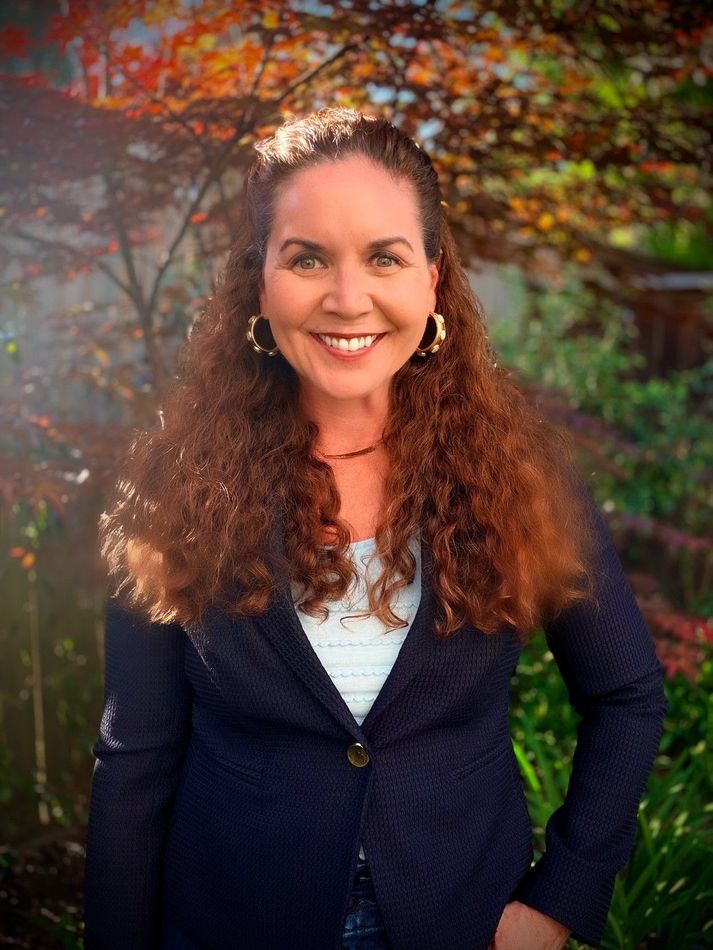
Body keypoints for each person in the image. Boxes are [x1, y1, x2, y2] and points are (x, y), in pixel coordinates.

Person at [83, 107, 668, 950]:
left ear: (431, 278)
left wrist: (558, 902)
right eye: (307, 257)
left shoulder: (522, 477)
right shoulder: (172, 488)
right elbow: (133, 757)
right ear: (260, 280)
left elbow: (626, 697)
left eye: (383, 257)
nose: (346, 297)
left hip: (460, 919)